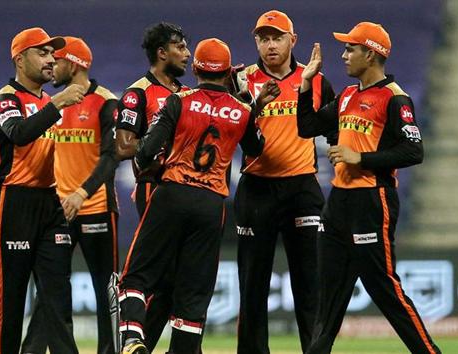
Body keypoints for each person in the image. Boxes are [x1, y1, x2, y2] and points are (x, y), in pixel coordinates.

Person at [117, 38, 280, 354]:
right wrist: (253, 109)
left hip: (171, 195)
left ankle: (134, 338)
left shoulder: (178, 100)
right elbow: (257, 149)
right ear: (228, 72)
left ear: (195, 69)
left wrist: (147, 168)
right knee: (193, 295)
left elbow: (146, 152)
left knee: (134, 278)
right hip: (210, 205)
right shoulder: (242, 111)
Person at [296, 22, 442, 354]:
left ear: (371, 54)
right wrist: (306, 84)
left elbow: (413, 151)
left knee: (385, 289)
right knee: (328, 295)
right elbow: (307, 127)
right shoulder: (348, 96)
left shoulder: (395, 98)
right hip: (339, 203)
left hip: (372, 200)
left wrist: (358, 156)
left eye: (351, 49)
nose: (344, 55)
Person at [233, 10, 336, 353]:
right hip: (257, 189)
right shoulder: (242, 80)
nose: (270, 45)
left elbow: (337, 130)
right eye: (263, 38)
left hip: (302, 188)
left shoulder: (316, 81)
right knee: (252, 288)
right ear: (256, 42)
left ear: (293, 41)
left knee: (310, 286)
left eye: (277, 37)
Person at [20, 36, 120, 354]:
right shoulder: (53, 104)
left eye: (57, 59)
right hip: (57, 213)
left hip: (96, 209)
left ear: (74, 64)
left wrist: (81, 193)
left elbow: (111, 158)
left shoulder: (105, 102)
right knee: (48, 293)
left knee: (107, 292)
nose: (51, 65)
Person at [0, 27, 85, 354]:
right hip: (14, 202)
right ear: (19, 59)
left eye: (52, 53)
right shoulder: (7, 98)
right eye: (41, 52)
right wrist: (58, 103)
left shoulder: (45, 101)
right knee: (12, 299)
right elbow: (18, 133)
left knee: (56, 298)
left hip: (51, 202)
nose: (50, 59)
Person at [114, 22, 192, 352]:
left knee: (174, 281)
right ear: (162, 53)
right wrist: (163, 142)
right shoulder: (138, 94)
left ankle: (139, 342)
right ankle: (132, 337)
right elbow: (122, 146)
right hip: (155, 188)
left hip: (189, 190)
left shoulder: (185, 94)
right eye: (181, 47)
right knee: (152, 274)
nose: (187, 54)